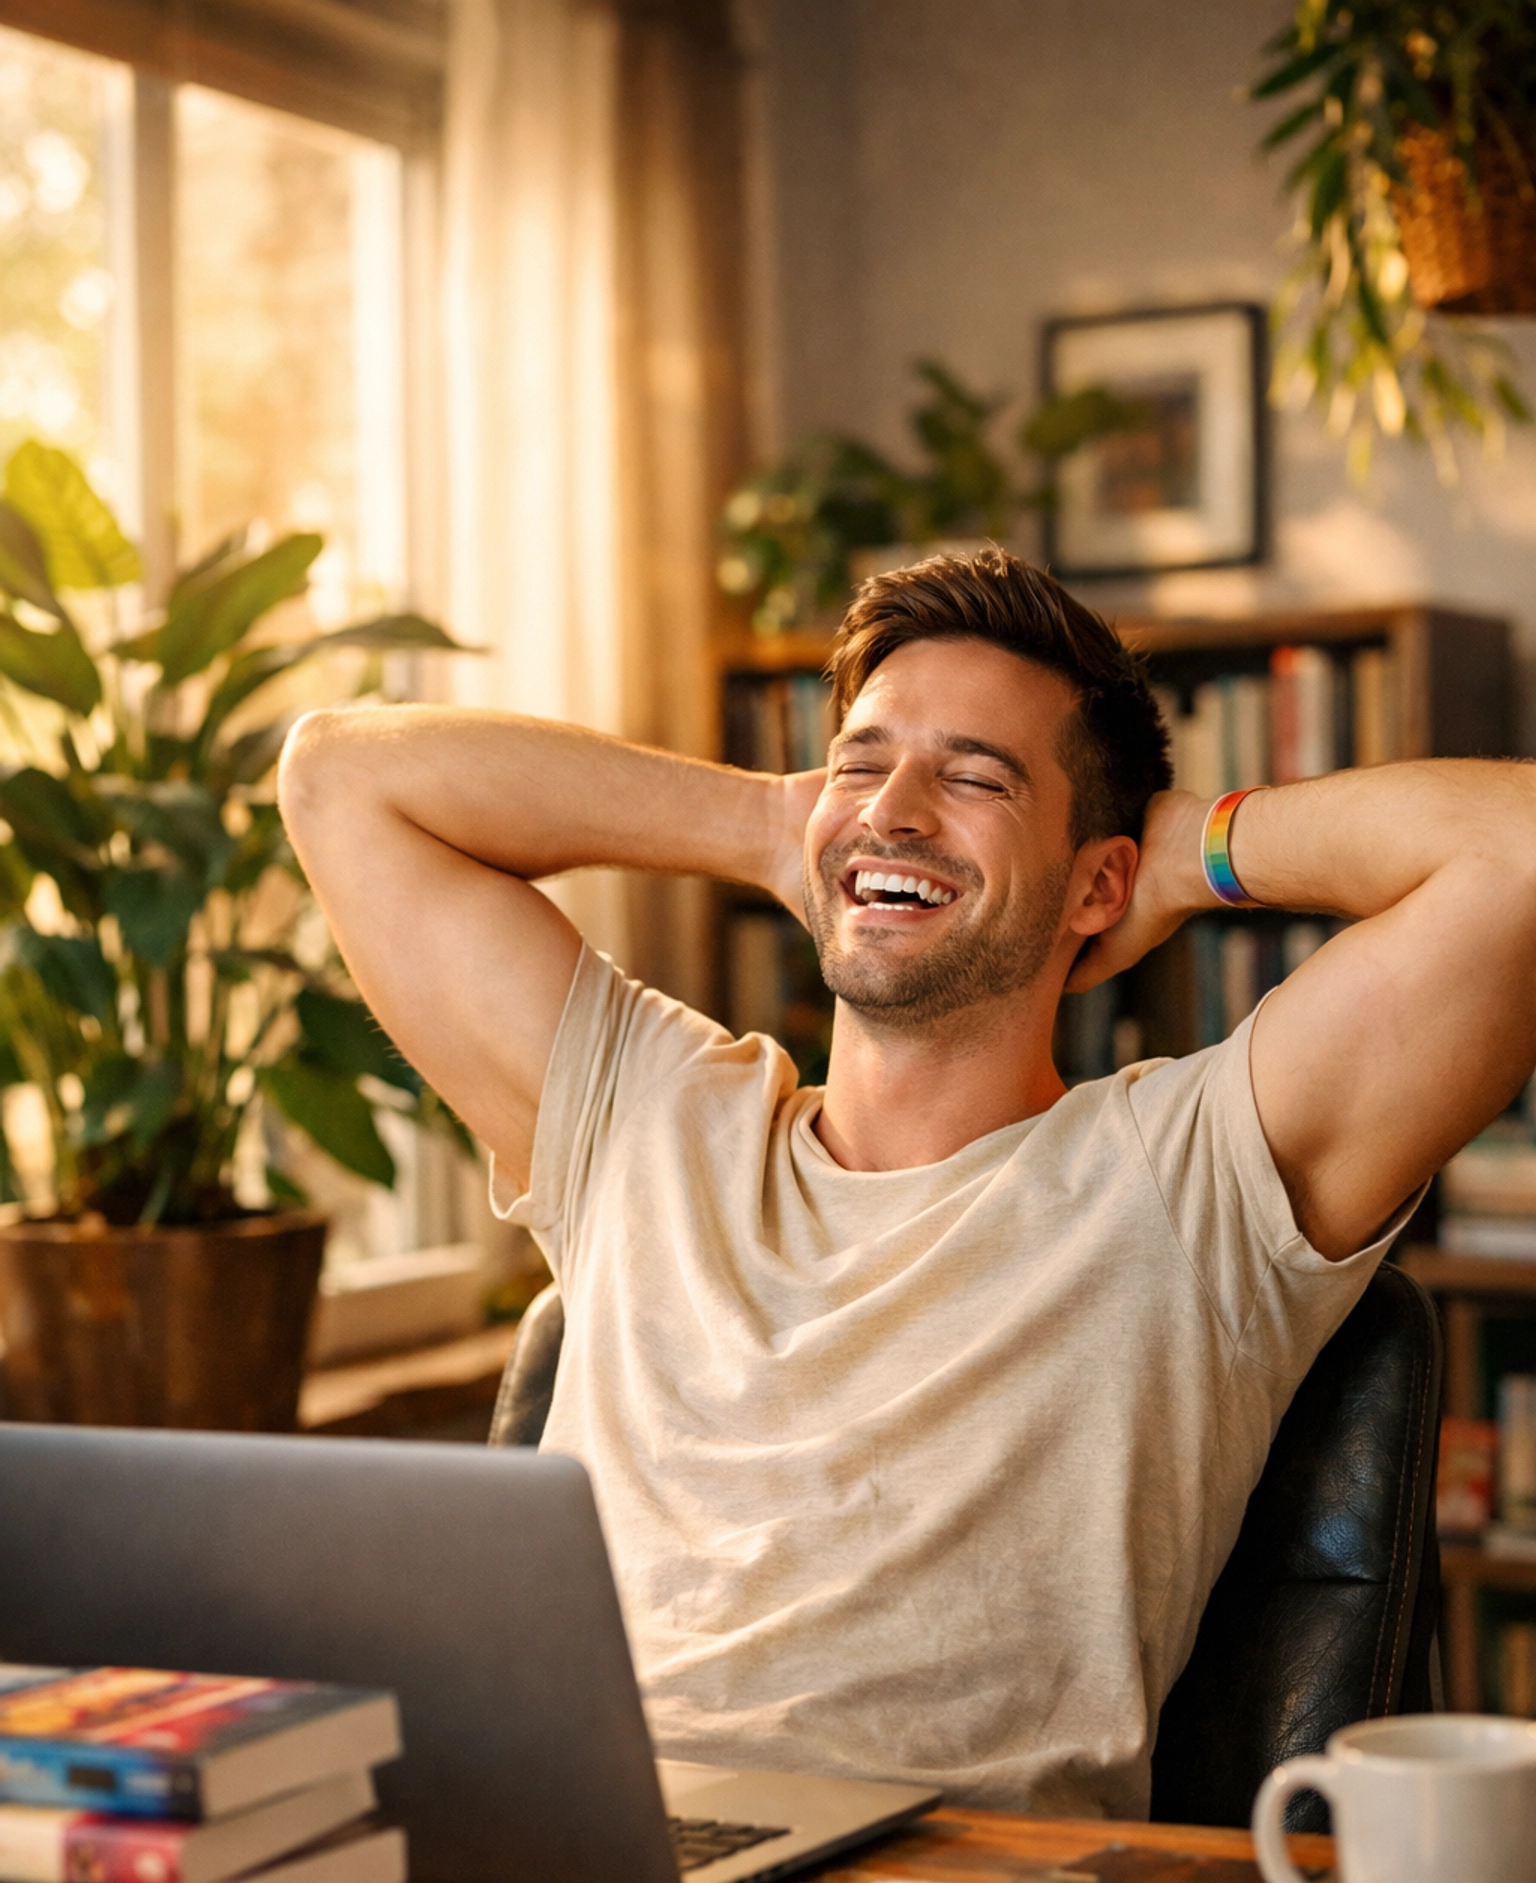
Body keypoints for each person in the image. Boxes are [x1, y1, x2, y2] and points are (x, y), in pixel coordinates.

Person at [278, 550, 1536, 1817]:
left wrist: (1183, 858)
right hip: (565, 1850)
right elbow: (339, 779)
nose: (896, 810)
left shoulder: (1191, 1174)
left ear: (1095, 882)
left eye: (976, 777)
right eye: (862, 762)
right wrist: (775, 823)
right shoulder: (645, 1121)